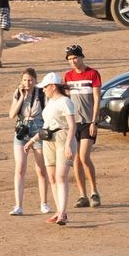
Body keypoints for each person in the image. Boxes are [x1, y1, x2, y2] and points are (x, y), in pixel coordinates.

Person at [61, 46, 103, 209]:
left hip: (88, 121)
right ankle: (82, 195)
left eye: (75, 58)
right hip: (73, 122)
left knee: (84, 156)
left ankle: (94, 192)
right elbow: (65, 98)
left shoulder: (93, 74)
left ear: (82, 57)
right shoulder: (68, 76)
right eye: (70, 59)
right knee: (76, 159)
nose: (73, 61)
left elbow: (97, 98)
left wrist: (94, 121)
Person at [8, 67, 50, 217]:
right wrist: (21, 97)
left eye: (30, 80)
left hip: (38, 129)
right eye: (25, 80)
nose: (28, 83)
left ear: (35, 80)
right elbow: (12, 114)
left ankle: (44, 203)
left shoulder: (41, 92)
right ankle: (18, 205)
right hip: (22, 129)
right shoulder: (18, 92)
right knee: (20, 168)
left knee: (41, 169)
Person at [37, 74, 76, 224]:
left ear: (53, 86)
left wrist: (68, 144)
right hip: (48, 140)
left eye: (46, 87)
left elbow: (72, 125)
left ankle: (63, 213)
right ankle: (59, 210)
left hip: (63, 138)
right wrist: (33, 140)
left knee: (61, 176)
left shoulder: (65, 101)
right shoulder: (49, 102)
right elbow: (47, 125)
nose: (44, 90)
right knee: (52, 177)